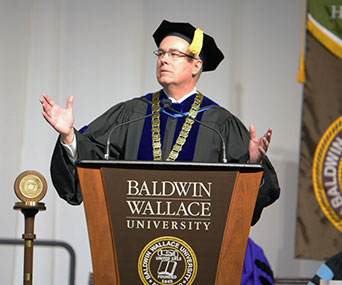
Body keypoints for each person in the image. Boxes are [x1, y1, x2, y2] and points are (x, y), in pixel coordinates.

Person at [41, 20, 280, 284]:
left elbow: (250, 201)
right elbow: (90, 161)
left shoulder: (219, 123)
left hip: (200, 257)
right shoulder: (131, 113)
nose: (164, 60)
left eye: (174, 54)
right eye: (161, 53)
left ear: (196, 65)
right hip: (133, 250)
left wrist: (253, 164)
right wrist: (69, 136)